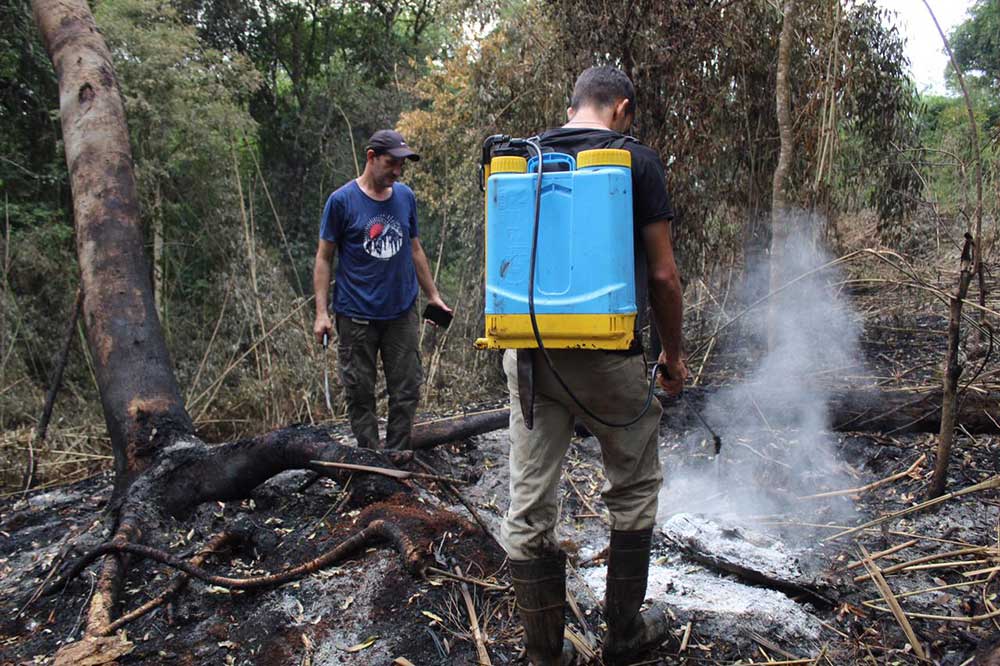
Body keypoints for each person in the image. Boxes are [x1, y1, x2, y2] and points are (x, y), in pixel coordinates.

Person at [501, 66, 687, 665]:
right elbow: (663, 275)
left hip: (529, 358)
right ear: (622, 109)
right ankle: (624, 636)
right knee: (633, 489)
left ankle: (543, 656)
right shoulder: (637, 161)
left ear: (573, 106)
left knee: (530, 503)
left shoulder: (522, 158)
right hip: (608, 358)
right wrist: (673, 356)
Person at [313, 129, 451, 451]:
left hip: (401, 313)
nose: (398, 171)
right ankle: (370, 458)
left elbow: (414, 249)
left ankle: (398, 453)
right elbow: (324, 258)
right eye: (392, 163)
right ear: (371, 157)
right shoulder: (341, 201)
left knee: (407, 388)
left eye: (402, 165)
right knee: (359, 391)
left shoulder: (405, 197)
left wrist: (433, 296)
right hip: (356, 315)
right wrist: (321, 313)